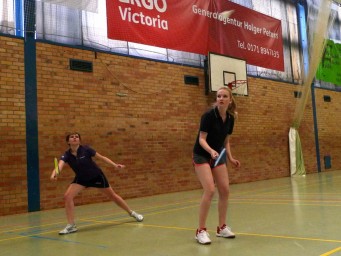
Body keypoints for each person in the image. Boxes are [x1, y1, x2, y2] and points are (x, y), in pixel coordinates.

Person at [50, 132, 144, 235]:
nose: (75, 138)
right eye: (72, 137)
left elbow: (102, 157)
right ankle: (71, 226)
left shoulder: (86, 149)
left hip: (96, 176)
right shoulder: (67, 154)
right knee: (67, 196)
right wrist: (54, 174)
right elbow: (59, 166)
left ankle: (132, 213)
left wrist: (115, 165)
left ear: (79, 140)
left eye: (77, 137)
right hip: (81, 179)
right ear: (68, 141)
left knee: (113, 196)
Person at [192, 87, 241, 245]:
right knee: (210, 190)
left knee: (225, 190)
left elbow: (226, 141)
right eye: (218, 96)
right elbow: (201, 139)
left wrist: (231, 158)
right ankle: (200, 231)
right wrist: (210, 151)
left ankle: (221, 228)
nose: (221, 98)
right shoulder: (208, 116)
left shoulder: (231, 118)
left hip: (218, 154)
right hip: (202, 154)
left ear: (230, 100)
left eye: (224, 96)